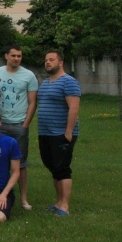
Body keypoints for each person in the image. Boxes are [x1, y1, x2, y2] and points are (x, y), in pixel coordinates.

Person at [0, 44, 38, 210]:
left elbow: (33, 101)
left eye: (19, 56)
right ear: (6, 56)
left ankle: (23, 198)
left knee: (21, 163)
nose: (17, 59)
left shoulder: (29, 75)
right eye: (13, 56)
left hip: (19, 124)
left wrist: (25, 124)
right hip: (0, 125)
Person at [38, 50, 81, 217]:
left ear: (61, 62)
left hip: (61, 134)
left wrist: (68, 132)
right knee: (53, 167)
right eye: (46, 60)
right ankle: (58, 202)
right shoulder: (46, 82)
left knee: (62, 168)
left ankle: (65, 206)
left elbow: (74, 108)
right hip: (45, 133)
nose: (48, 62)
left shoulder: (69, 82)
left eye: (52, 60)